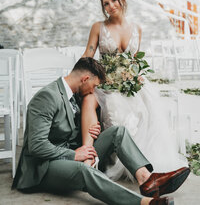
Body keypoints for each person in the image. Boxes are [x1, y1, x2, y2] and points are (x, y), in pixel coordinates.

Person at [12, 57, 189, 205]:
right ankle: (143, 203)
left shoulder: (72, 94)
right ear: (85, 79)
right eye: (94, 86)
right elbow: (36, 146)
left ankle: (147, 179)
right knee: (84, 171)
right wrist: (74, 154)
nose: (94, 91)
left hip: (67, 153)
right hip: (43, 167)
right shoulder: (47, 97)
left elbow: (64, 129)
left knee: (118, 132)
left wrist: (94, 131)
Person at [81, 0, 188, 180]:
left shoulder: (137, 28)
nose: (111, 6)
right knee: (115, 105)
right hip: (107, 83)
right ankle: (123, 162)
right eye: (106, 3)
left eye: (114, 0)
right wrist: (78, 78)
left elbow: (135, 61)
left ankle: (150, 164)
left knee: (148, 107)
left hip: (131, 81)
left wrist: (136, 75)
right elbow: (88, 55)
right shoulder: (98, 27)